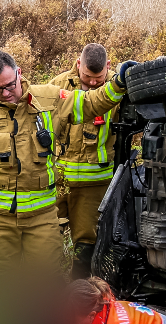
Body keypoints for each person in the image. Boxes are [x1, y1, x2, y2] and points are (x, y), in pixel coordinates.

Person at [0, 51, 131, 276]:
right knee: (0, 280)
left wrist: (118, 84)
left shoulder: (50, 99)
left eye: (9, 85)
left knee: (48, 277)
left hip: (41, 215)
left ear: (19, 73)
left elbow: (90, 103)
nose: (5, 93)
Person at [45, 43, 122, 278]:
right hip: (58, 182)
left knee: (87, 245)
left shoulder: (118, 90)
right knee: (45, 239)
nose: (91, 83)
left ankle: (81, 295)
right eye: (87, 77)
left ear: (108, 67)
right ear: (78, 64)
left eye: (97, 79)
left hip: (94, 186)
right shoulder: (57, 87)